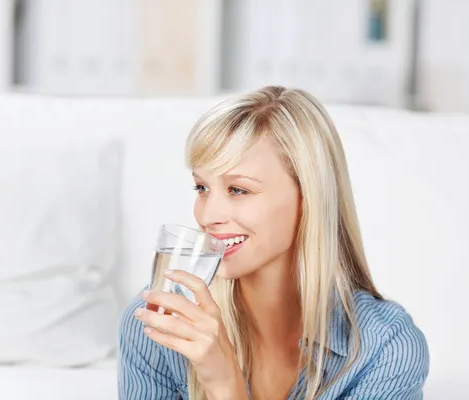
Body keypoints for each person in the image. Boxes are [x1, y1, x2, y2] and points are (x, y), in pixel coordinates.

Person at [118, 86, 429, 399]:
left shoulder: (385, 348)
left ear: (307, 198)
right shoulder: (158, 327)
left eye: (238, 190)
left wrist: (225, 386)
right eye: (201, 187)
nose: (208, 215)